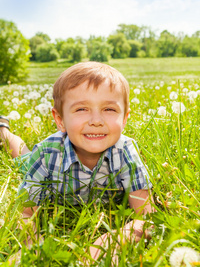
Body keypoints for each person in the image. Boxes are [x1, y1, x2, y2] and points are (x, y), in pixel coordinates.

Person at [0, 62, 154, 263]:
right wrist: (33, 244)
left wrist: (118, 238)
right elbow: (25, 213)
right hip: (41, 162)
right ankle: (4, 131)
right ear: (60, 119)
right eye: (82, 109)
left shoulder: (125, 151)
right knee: (22, 157)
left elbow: (149, 218)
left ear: (124, 119)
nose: (96, 120)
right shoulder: (47, 154)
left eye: (109, 109)